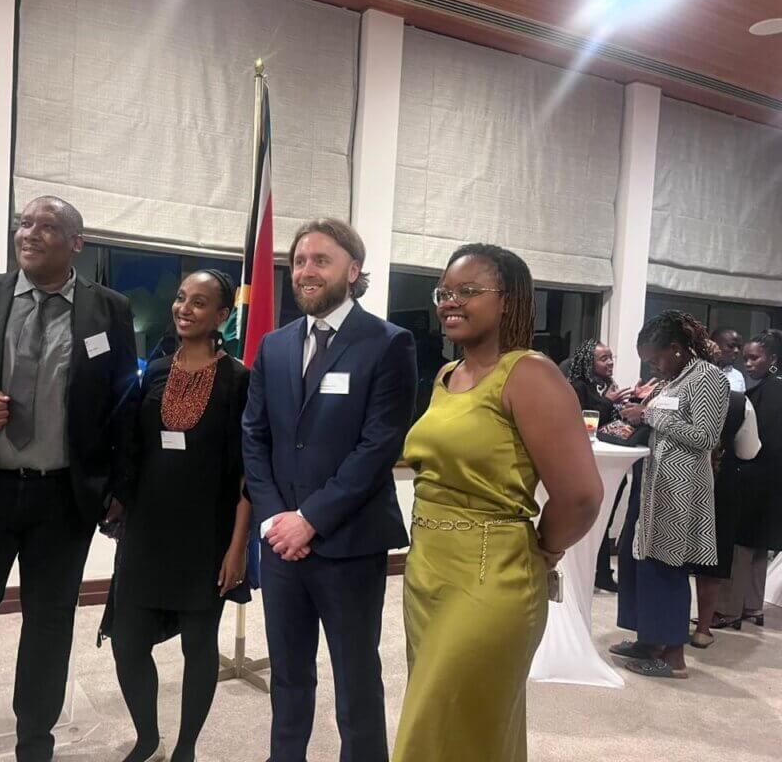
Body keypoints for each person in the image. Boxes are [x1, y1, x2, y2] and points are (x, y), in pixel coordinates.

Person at [0, 196, 139, 762]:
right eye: (24, 223)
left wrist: (118, 486)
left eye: (47, 226)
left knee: (48, 629)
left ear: (76, 244)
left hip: (62, 501)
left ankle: (34, 748)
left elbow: (123, 407)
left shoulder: (108, 311)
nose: (30, 233)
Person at [393, 244, 601, 762]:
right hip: (427, 573)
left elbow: (580, 495)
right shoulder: (448, 377)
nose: (450, 302)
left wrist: (544, 551)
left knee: (433, 727)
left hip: (492, 577)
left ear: (508, 301)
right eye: (445, 292)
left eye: (468, 291)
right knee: (470, 729)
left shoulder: (530, 374)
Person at [242, 218, 417, 762]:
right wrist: (274, 520)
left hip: (348, 544)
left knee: (355, 678)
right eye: (298, 261)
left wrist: (310, 519)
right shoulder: (274, 346)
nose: (306, 271)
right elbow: (255, 435)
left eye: (321, 259)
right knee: (289, 675)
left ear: (353, 269)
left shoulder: (388, 344)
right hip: (280, 547)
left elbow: (377, 448)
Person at [107, 270, 251, 762]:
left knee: (198, 647)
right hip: (147, 532)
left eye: (200, 302)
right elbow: (133, 446)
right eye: (181, 298)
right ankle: (147, 737)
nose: (184, 308)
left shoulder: (238, 379)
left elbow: (246, 473)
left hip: (206, 536)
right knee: (127, 643)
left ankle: (186, 748)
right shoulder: (157, 370)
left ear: (222, 316)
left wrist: (237, 548)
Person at [613, 311, 728, 679]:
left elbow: (706, 436)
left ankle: (673, 657)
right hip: (652, 487)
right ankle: (650, 640)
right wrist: (639, 411)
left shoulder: (708, 378)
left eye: (655, 358)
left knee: (668, 568)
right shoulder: (674, 379)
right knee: (642, 563)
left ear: (676, 349)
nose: (653, 366)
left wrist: (649, 416)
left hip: (681, 494)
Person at [716, 329, 782, 629]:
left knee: (740, 547)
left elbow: (756, 443)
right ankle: (753, 607)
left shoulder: (763, 395)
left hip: (753, 477)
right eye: (745, 358)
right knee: (759, 546)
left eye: (754, 357)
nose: (748, 363)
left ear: (773, 360)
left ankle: (728, 610)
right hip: (773, 483)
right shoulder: (771, 390)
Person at [689, 375, 760, 647]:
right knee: (713, 555)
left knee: (672, 557)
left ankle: (666, 626)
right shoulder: (740, 402)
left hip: (681, 481)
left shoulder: (674, 396)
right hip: (721, 483)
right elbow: (748, 451)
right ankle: (703, 629)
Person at [567, 339, 633, 592]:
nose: (610, 362)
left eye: (611, 357)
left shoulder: (609, 385)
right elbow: (581, 419)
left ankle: (602, 573)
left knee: (605, 522)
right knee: (589, 520)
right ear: (588, 362)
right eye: (603, 358)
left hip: (611, 462)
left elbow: (614, 421)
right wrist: (608, 401)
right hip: (587, 464)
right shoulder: (577, 387)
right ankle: (582, 574)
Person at [711, 327, 747, 393]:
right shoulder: (699, 371)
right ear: (714, 344)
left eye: (739, 347)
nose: (736, 351)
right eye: (731, 346)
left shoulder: (738, 376)